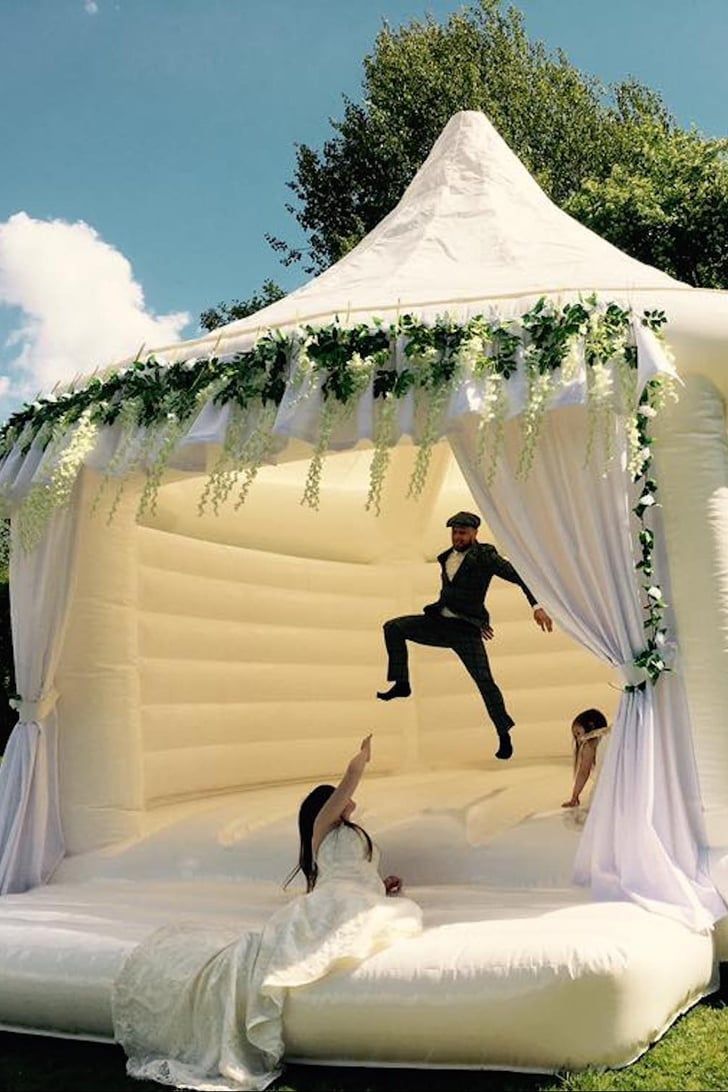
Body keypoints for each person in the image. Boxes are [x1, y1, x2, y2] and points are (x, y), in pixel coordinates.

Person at [113, 735, 422, 1091]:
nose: (349, 799)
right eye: (338, 799)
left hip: (362, 896)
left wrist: (382, 884)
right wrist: (362, 757)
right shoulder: (323, 829)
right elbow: (350, 779)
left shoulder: (351, 835)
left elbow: (355, 871)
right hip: (337, 898)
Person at [377, 510, 553, 760]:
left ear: (474, 533)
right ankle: (402, 683)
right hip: (439, 623)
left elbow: (520, 576)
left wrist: (537, 607)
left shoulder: (485, 556)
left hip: (465, 631)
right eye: (454, 532)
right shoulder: (446, 557)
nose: (457, 537)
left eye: (462, 532)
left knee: (485, 682)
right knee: (393, 627)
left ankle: (504, 734)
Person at [561, 708, 610, 809]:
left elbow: (583, 772)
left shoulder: (590, 745)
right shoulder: (612, 735)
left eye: (578, 734)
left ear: (591, 726)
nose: (579, 739)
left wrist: (574, 797)